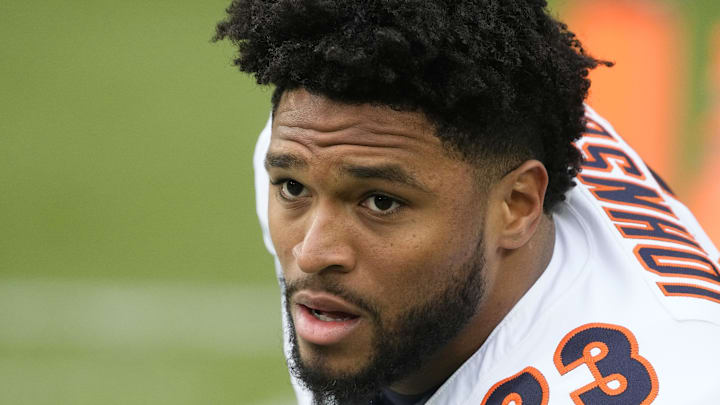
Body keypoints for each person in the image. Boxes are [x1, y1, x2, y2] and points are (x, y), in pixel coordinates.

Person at [214, 1, 720, 403]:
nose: (312, 252)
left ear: (518, 207)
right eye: (293, 189)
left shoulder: (679, 382)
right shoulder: (326, 146)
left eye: (382, 203)